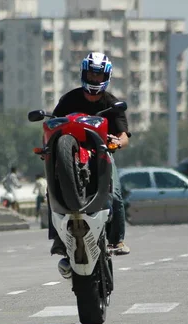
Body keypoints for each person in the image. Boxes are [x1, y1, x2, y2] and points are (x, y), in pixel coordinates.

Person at [48, 52, 131, 279]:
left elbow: (124, 136)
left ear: (107, 76)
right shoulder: (68, 100)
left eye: (98, 75)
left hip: (102, 152)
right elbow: (52, 124)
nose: (94, 79)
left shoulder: (112, 104)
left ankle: (118, 239)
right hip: (71, 155)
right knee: (52, 190)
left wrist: (118, 142)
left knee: (114, 193)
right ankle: (58, 239)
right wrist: (48, 149)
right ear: (84, 74)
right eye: (91, 74)